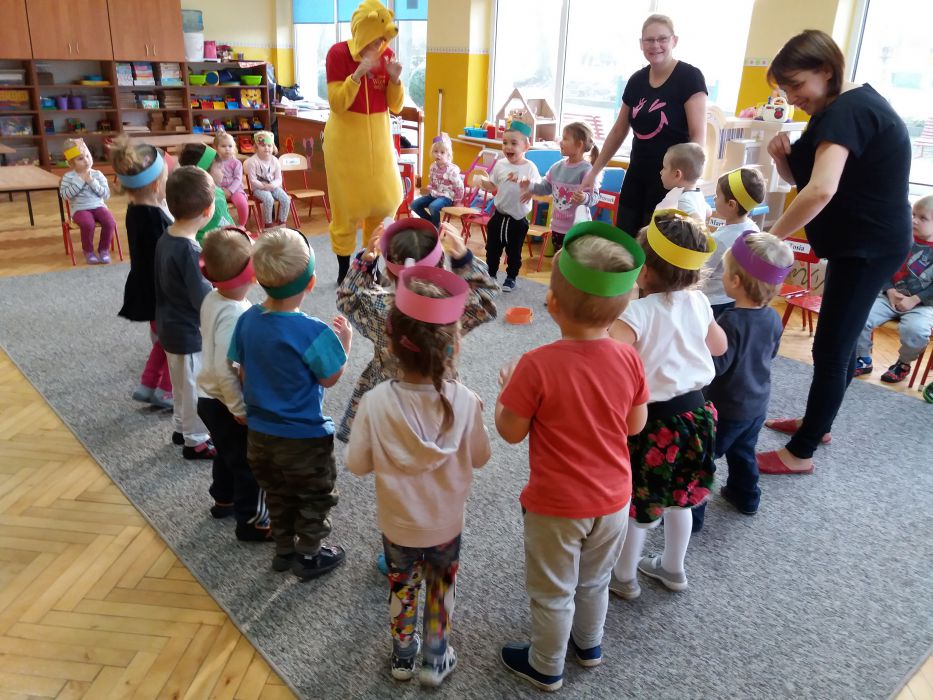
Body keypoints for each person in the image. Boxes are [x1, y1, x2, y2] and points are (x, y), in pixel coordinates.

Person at [496, 221, 648, 692]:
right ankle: (589, 645)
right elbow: (635, 425)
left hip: (557, 506)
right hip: (614, 499)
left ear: (553, 303)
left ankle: (546, 665)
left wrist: (508, 393)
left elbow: (510, 432)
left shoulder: (536, 365)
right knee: (594, 581)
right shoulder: (629, 357)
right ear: (621, 306)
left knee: (553, 590)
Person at [758, 30, 912, 474]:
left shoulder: (849, 110)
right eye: (785, 90)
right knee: (838, 343)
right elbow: (806, 182)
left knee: (831, 348)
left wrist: (770, 238)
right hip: (859, 244)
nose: (792, 98)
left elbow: (821, 191)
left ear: (826, 71)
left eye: (796, 86)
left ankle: (801, 452)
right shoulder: (834, 109)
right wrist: (782, 159)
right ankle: (818, 423)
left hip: (869, 248)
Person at [346, 266, 491, 686]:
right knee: (441, 587)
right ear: (453, 346)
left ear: (390, 343)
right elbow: (481, 458)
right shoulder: (466, 401)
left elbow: (357, 465)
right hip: (446, 525)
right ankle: (436, 656)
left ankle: (403, 656)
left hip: (398, 525)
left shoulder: (375, 402)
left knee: (402, 587)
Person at [607, 210, 726, 599]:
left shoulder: (636, 313)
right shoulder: (699, 302)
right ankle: (673, 568)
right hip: (699, 416)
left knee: (640, 502)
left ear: (642, 271)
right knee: (682, 498)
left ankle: (624, 576)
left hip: (655, 423)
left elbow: (609, 357)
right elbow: (719, 346)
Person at [229, 228, 353, 580]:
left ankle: (283, 550)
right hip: (304, 438)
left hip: (260, 435)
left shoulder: (246, 320)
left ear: (258, 278)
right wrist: (344, 344)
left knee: (277, 493)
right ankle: (309, 555)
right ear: (311, 282)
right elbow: (329, 377)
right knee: (315, 496)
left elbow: (241, 371)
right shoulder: (314, 331)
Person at [336, 218, 497, 443]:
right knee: (439, 444)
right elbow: (486, 300)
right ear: (441, 263)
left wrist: (365, 263)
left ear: (390, 270)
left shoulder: (378, 306)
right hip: (440, 391)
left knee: (390, 446)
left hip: (388, 392)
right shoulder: (454, 307)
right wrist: (464, 261)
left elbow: (347, 299)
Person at [693, 232, 793, 532]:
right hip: (757, 405)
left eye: (725, 273)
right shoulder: (773, 317)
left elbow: (715, 367)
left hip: (726, 408)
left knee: (703, 457)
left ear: (735, 282)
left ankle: (693, 516)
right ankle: (746, 496)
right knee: (743, 451)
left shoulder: (730, 322)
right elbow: (770, 353)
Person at [582, 14, 707, 236]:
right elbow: (619, 130)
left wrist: (687, 185)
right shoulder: (636, 81)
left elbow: (697, 138)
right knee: (625, 240)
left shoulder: (690, 77)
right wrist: (594, 171)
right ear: (641, 44)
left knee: (654, 245)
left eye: (662, 39)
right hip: (637, 175)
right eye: (649, 40)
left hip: (671, 181)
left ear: (674, 41)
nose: (655, 45)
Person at [323, 0, 405, 284]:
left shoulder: (387, 55)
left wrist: (395, 80)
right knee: (346, 210)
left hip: (379, 142)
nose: (380, 45)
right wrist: (357, 74)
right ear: (362, 33)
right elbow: (337, 103)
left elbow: (396, 106)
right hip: (345, 144)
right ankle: (344, 271)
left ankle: (371, 264)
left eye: (383, 39)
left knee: (384, 203)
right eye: (375, 39)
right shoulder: (338, 53)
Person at [197, 226, 270, 542]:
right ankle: (251, 521)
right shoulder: (236, 314)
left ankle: (223, 498)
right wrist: (238, 408)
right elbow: (224, 368)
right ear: (252, 275)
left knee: (227, 452)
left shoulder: (213, 298)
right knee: (248, 462)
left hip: (208, 397)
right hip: (225, 402)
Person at [155, 166, 217, 460]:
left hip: (168, 326)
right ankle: (196, 440)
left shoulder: (166, 236)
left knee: (181, 383)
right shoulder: (190, 251)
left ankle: (181, 427)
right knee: (194, 387)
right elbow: (202, 298)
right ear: (208, 211)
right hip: (188, 331)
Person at [115, 137, 173, 411]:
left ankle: (148, 384)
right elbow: (167, 257)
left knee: (162, 341)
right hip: (163, 292)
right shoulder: (154, 218)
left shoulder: (134, 210)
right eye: (166, 179)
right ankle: (167, 391)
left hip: (146, 289)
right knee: (175, 343)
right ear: (155, 184)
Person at [854, 195, 933, 383]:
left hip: (922, 305)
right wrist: (889, 290)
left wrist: (914, 299)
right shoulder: (901, 238)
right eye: (913, 215)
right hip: (889, 297)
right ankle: (863, 358)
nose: (914, 220)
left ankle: (903, 363)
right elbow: (881, 265)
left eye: (922, 218)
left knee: (916, 332)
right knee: (857, 316)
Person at [519, 122, 601, 253]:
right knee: (559, 260)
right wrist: (530, 185)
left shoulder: (586, 170)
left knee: (572, 262)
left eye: (565, 138)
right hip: (557, 228)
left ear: (579, 145)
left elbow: (595, 197)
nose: (560, 142)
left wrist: (584, 198)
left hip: (577, 230)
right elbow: (545, 188)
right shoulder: (556, 167)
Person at [479, 120, 539, 292]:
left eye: (514, 143)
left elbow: (539, 187)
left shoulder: (530, 167)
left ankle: (511, 277)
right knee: (492, 249)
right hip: (498, 215)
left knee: (514, 252)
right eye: (505, 143)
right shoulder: (500, 164)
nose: (508, 147)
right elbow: (493, 184)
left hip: (518, 219)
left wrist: (530, 191)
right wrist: (482, 183)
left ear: (526, 146)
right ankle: (491, 275)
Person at [700, 168, 766, 317]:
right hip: (734, 298)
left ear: (731, 204)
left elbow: (702, 272)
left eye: (717, 195)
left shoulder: (719, 240)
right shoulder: (753, 228)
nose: (715, 199)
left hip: (712, 301)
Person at [58, 139, 117, 265]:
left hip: (99, 206)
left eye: (87, 156)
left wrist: (92, 182)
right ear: (71, 163)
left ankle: (104, 250)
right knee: (88, 224)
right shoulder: (68, 177)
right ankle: (88, 251)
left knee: (110, 222)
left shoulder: (98, 174)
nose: (86, 160)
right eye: (80, 159)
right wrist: (80, 181)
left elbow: (106, 194)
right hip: (80, 209)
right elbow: (64, 195)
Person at [178, 142, 234, 242]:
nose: (223, 170)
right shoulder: (216, 197)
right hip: (216, 245)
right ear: (205, 173)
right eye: (219, 167)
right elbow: (226, 223)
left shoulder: (187, 192)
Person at [411, 133, 463, 228]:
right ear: (432, 153)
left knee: (433, 206)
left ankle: (436, 227)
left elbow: (459, 186)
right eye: (436, 151)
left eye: (442, 152)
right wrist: (431, 187)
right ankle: (430, 223)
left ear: (448, 155)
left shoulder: (452, 170)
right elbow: (432, 180)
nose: (438, 154)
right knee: (414, 205)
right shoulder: (433, 167)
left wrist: (457, 201)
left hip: (447, 197)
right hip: (434, 195)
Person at [244, 131, 290, 228]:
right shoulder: (252, 161)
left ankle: (282, 222)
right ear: (256, 147)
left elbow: (279, 179)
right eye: (263, 145)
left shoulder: (275, 161)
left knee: (285, 199)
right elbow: (253, 180)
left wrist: (272, 185)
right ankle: (268, 223)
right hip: (258, 188)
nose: (267, 148)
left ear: (273, 147)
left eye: (269, 145)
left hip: (273, 187)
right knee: (268, 199)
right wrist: (263, 186)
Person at [656, 142, 711, 222]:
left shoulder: (683, 201)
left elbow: (699, 223)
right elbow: (709, 212)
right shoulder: (698, 194)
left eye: (664, 168)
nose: (661, 172)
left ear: (677, 174)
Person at [213, 131, 249, 227]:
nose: (227, 149)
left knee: (242, 203)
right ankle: (219, 225)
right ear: (216, 148)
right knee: (215, 204)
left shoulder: (236, 163)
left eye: (230, 146)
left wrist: (230, 190)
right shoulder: (213, 162)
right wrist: (219, 190)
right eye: (223, 146)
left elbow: (238, 179)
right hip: (218, 190)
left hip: (235, 189)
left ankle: (242, 225)